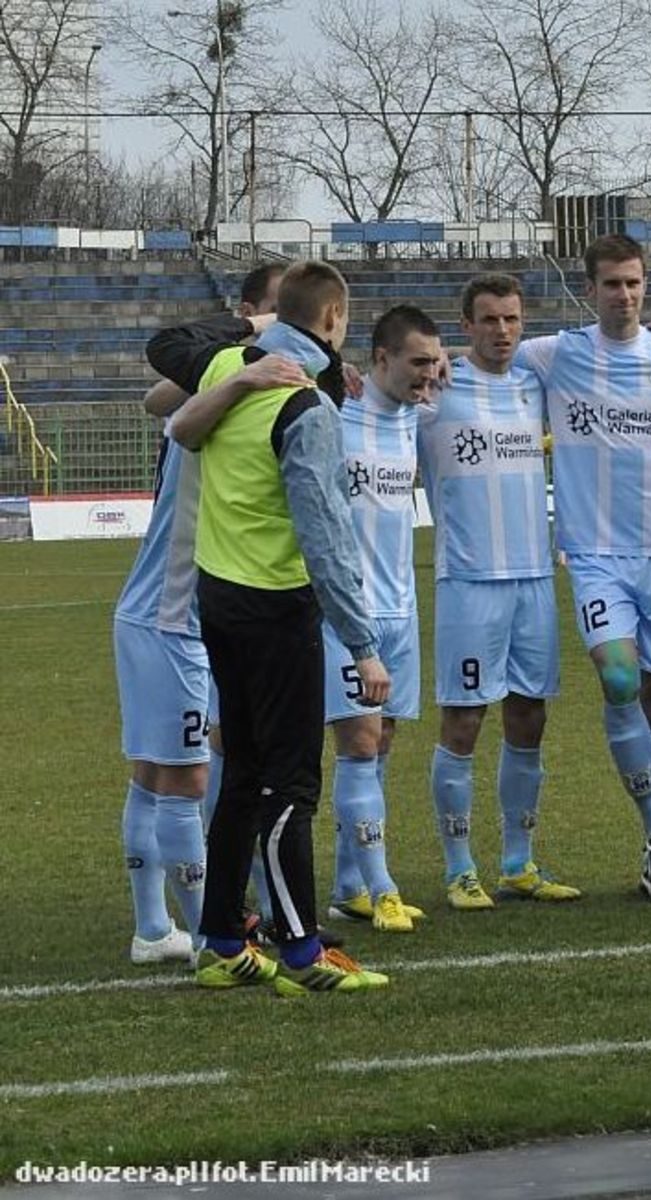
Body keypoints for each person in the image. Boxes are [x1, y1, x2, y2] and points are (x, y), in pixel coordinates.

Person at [147, 260, 391, 995]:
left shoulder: (229, 362)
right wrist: (363, 643)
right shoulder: (305, 406)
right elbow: (324, 536)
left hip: (218, 598)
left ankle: (223, 939)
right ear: (334, 320)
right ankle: (300, 952)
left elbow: (166, 345)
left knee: (245, 778)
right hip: (276, 607)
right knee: (292, 785)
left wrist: (255, 329)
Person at [520, 236, 651, 900]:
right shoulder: (557, 353)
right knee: (619, 675)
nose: (623, 295)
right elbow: (481, 364)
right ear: (589, 288)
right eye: (610, 284)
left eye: (633, 283)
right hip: (596, 556)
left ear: (645, 284)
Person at [115, 306, 304, 964]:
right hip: (173, 619)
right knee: (188, 780)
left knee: (154, 775)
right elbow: (161, 398)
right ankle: (207, 936)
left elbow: (160, 395)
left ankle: (152, 930)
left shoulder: (229, 393)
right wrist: (248, 340)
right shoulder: (228, 396)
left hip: (159, 615)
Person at [420, 275, 573, 909]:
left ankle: (518, 861)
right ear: (466, 325)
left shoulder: (534, 381)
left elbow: (618, 340)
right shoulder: (436, 390)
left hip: (534, 578)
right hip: (469, 581)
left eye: (511, 319)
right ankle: (459, 867)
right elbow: (379, 393)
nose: (502, 331)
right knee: (464, 720)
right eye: (489, 320)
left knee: (529, 716)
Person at [314, 306, 443, 932]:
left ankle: (347, 886)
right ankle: (383, 883)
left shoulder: (419, 417)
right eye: (418, 362)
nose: (430, 374)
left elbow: (503, 362)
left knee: (382, 743)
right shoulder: (335, 412)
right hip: (344, 612)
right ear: (381, 359)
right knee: (360, 743)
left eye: (435, 362)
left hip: (401, 607)